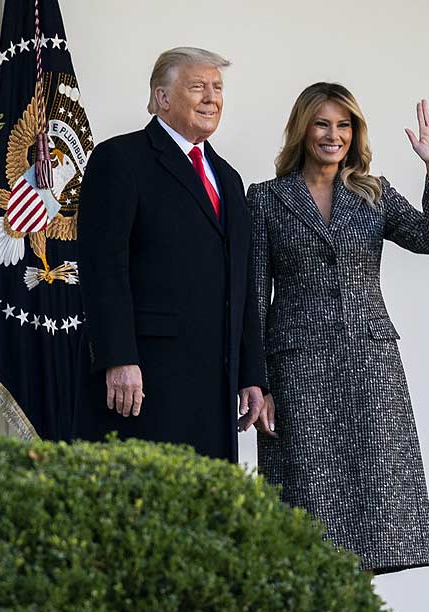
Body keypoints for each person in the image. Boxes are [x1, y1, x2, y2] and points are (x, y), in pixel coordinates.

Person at [249, 83, 429, 574]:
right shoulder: (265, 199)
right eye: (322, 123)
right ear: (303, 128)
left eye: (344, 125)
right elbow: (256, 298)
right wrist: (260, 382)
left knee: (373, 510)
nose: (333, 135)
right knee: (306, 510)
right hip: (299, 370)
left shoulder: (373, 192)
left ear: (355, 133)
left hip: (370, 366)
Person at [75, 47, 265, 462]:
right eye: (198, 87)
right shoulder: (120, 160)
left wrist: (252, 373)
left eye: (217, 88)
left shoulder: (229, 179)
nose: (211, 98)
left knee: (207, 511)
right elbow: (103, 268)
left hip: (215, 383)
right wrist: (118, 357)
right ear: (162, 97)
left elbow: (243, 282)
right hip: (146, 381)